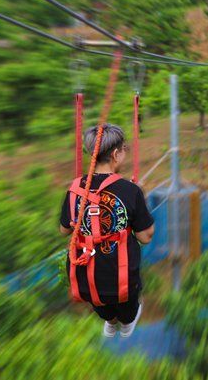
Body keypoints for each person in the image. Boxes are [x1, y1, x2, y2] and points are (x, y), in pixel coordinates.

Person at [59, 124, 155, 338]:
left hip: (85, 276)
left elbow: (64, 229)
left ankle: (109, 321)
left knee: (101, 305)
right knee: (128, 312)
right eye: (124, 149)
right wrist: (142, 198)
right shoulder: (131, 191)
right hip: (120, 276)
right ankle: (125, 324)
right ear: (115, 154)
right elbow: (145, 237)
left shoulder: (75, 189)